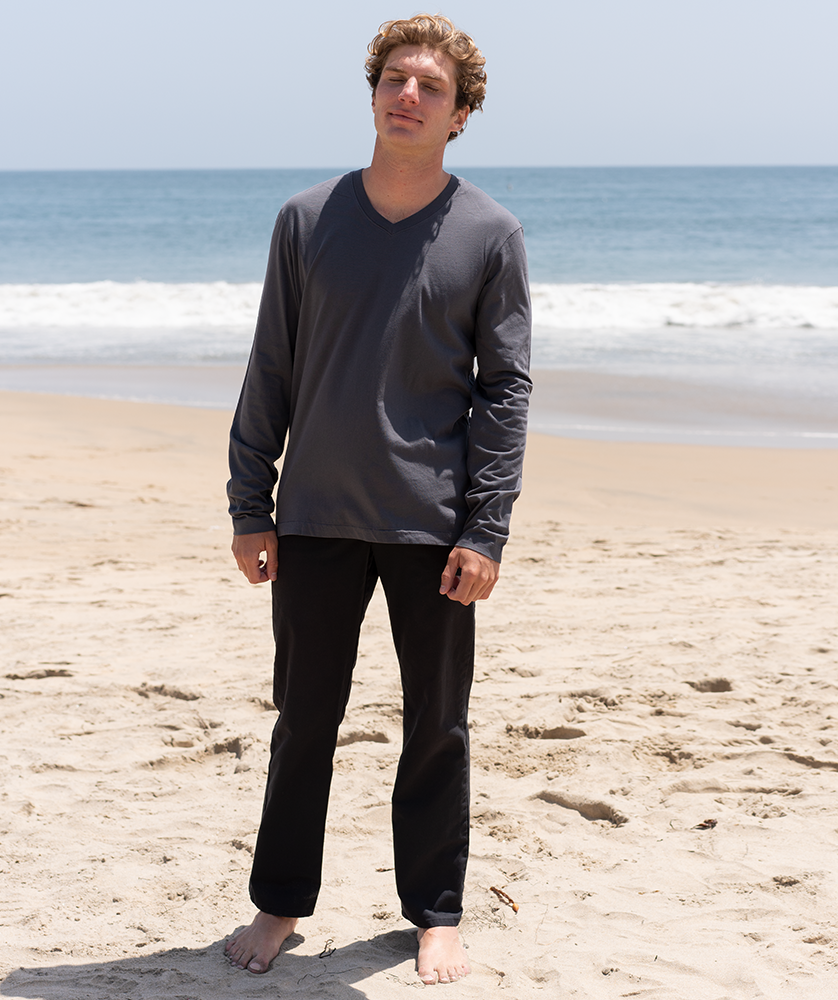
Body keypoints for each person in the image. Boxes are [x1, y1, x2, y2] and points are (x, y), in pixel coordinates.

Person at [223, 13, 531, 986]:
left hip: (432, 527)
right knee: (302, 720)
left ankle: (435, 915)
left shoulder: (489, 233)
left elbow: (504, 391)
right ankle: (280, 903)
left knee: (437, 726)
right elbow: (271, 365)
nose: (408, 95)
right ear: (372, 94)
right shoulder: (305, 220)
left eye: (431, 86)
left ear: (461, 114)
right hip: (313, 515)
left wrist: (486, 528)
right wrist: (249, 500)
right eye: (395, 78)